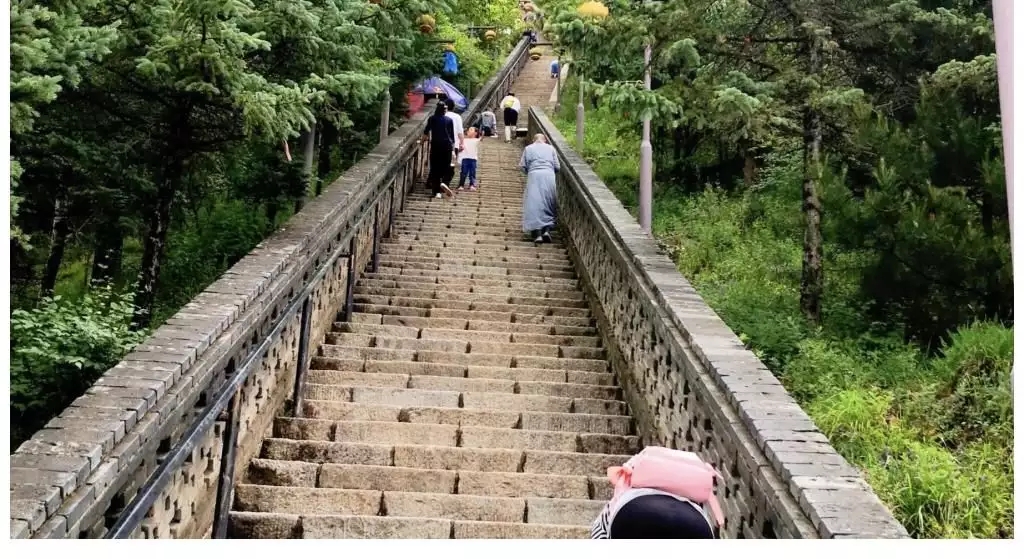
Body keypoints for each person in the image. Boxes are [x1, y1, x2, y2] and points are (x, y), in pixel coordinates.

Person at [590, 446, 723, 539]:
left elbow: (598, 533)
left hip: (633, 515)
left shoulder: (625, 488)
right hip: (696, 526)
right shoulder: (694, 498)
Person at [519, 134, 559, 244]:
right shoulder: (551, 148)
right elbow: (557, 166)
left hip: (534, 176)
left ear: (533, 140)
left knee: (534, 204)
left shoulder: (528, 148)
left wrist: (531, 171)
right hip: (549, 175)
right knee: (548, 202)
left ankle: (537, 234)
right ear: (545, 140)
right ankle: (546, 230)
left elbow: (522, 166)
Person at [422, 102, 455, 198]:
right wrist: (453, 150)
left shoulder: (432, 119)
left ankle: (436, 192)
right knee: (447, 166)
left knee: (435, 168)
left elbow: (426, 132)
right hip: (447, 146)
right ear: (444, 110)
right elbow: (452, 137)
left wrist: (421, 142)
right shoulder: (449, 120)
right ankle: (444, 182)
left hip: (436, 145)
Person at [443, 98, 465, 187]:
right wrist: (462, 143)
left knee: (440, 163)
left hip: (440, 144)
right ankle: (445, 182)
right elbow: (460, 132)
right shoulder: (457, 117)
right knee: (451, 164)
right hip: (453, 145)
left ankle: (436, 181)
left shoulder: (440, 116)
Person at [458, 127, 481, 191]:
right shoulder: (464, 140)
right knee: (463, 172)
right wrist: (460, 148)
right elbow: (460, 149)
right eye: (468, 130)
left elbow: (481, 139)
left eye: (471, 130)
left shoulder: (476, 140)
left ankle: (472, 185)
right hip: (465, 158)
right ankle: (461, 185)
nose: (469, 131)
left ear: (475, 133)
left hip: (473, 159)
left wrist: (483, 134)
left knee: (472, 173)